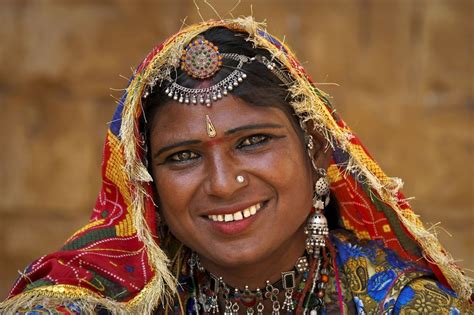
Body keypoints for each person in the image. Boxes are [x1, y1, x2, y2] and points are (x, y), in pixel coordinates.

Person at [0, 17, 471, 314]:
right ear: (148, 185)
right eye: (182, 156)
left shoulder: (406, 305)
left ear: (319, 151)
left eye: (253, 141)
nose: (223, 185)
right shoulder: (98, 304)